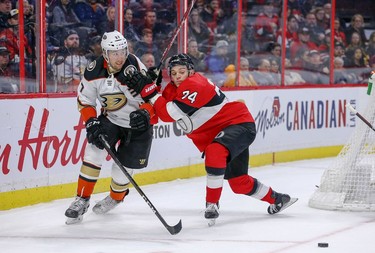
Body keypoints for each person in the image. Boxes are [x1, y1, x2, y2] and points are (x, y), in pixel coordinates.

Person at [123, 53, 297, 224]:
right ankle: (278, 199)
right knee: (239, 183)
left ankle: (211, 205)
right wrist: (149, 95)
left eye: (181, 71)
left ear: (191, 71)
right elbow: (157, 115)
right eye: (173, 73)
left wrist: (150, 91)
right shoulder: (171, 90)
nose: (177, 76)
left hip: (238, 124)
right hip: (222, 135)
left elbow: (169, 114)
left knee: (215, 151)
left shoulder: (196, 84)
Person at [64, 30, 154, 224]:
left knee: (120, 171)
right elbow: (85, 100)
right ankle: (81, 199)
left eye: (122, 51)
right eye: (115, 53)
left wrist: (145, 112)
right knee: (93, 152)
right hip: (111, 119)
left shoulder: (135, 66)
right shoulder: (93, 70)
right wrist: (91, 120)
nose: (120, 57)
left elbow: (153, 99)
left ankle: (116, 197)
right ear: (105, 53)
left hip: (137, 124)